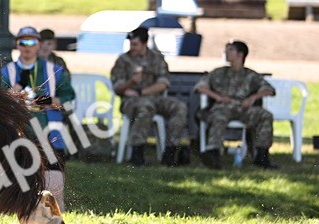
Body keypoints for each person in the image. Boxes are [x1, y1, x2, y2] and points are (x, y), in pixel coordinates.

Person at [110, 27, 190, 166]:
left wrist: (142, 91)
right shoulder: (123, 60)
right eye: (131, 44)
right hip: (132, 101)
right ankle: (137, 154)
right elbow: (118, 87)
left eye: (135, 44)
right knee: (145, 107)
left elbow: (163, 83)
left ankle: (170, 152)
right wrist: (131, 82)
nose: (132, 47)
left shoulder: (156, 58)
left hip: (153, 97)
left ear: (145, 43)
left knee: (179, 107)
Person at [194, 40, 277, 169]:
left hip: (243, 108)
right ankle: (213, 154)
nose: (226, 53)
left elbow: (269, 90)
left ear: (240, 54)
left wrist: (253, 98)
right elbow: (200, 87)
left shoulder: (250, 75)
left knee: (265, 115)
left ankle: (261, 155)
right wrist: (219, 97)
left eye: (230, 50)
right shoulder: (218, 73)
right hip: (222, 107)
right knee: (218, 116)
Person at [1, 26, 75, 160]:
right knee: (19, 173)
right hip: (18, 129)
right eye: (23, 42)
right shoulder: (7, 71)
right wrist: (17, 88)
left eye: (32, 42)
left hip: (49, 129)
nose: (27, 47)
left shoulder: (55, 70)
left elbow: (68, 97)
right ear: (17, 44)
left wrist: (47, 100)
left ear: (39, 45)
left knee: (53, 175)